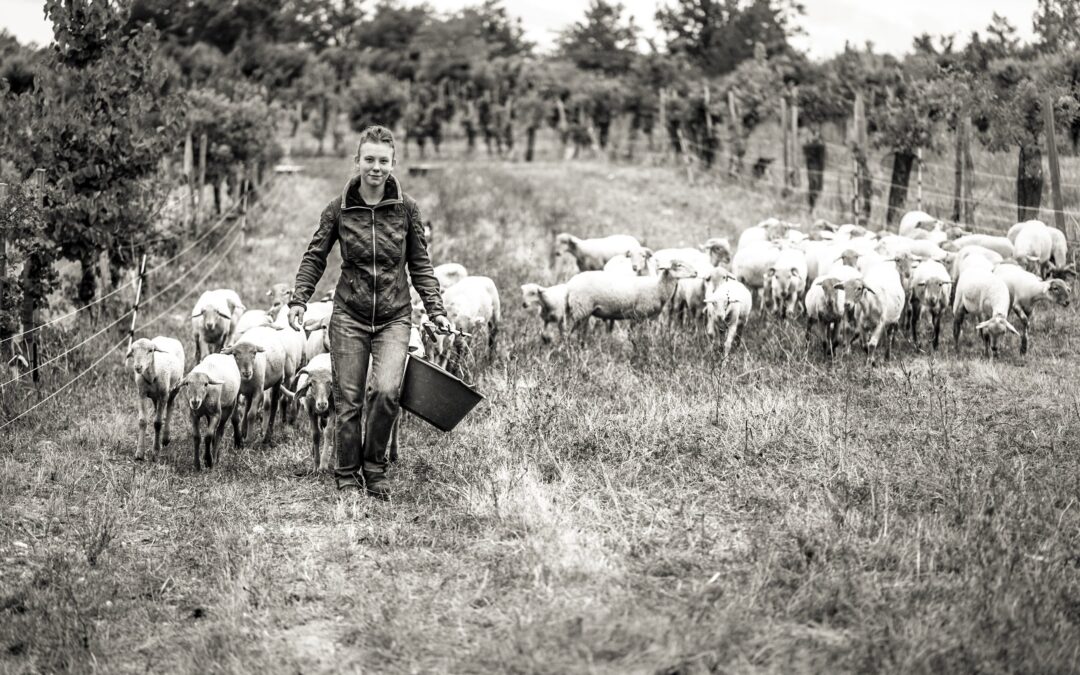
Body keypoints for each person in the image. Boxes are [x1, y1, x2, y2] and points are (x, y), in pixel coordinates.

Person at [287, 125, 452, 498]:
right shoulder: (339, 209)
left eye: (383, 161)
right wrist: (299, 297)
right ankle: (347, 472)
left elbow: (420, 264)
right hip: (349, 314)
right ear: (357, 161)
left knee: (387, 391)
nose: (375, 168)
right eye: (369, 160)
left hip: (394, 314)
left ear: (393, 163)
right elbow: (315, 256)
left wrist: (436, 309)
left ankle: (374, 468)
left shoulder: (406, 210)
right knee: (348, 397)